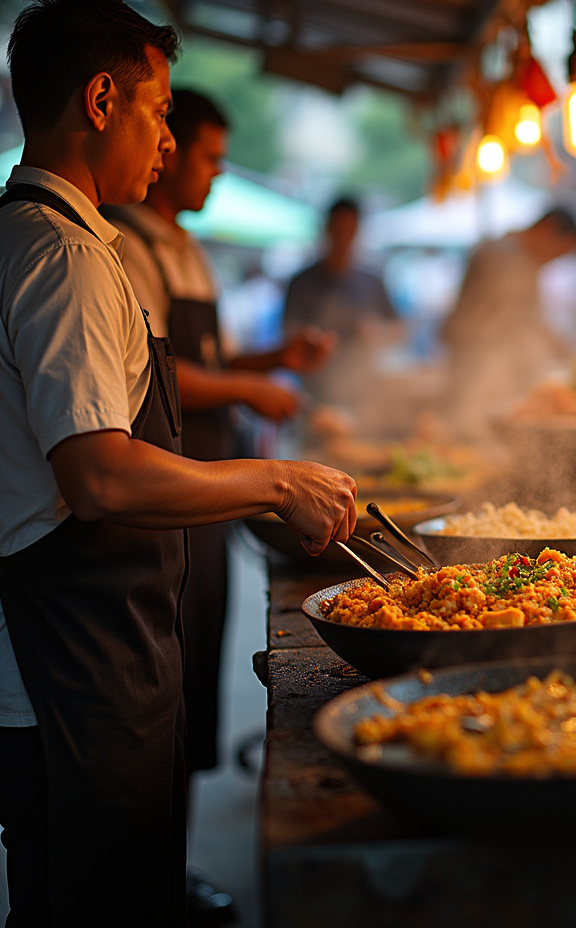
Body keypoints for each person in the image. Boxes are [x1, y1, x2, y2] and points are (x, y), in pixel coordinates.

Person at [0, 0, 358, 928]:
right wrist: (277, 481)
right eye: (159, 112)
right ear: (101, 101)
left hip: (97, 639)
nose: (165, 144)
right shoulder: (57, 255)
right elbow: (100, 476)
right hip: (70, 659)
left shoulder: (61, 239)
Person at [104, 88, 332, 924]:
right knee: (167, 678)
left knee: (192, 675)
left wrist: (274, 357)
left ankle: (173, 870)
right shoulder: (123, 245)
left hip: (205, 484)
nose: (205, 165)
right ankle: (158, 881)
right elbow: (164, 375)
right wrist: (251, 386)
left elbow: (209, 351)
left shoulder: (185, 249)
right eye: (203, 152)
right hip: (171, 482)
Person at [438, 208, 576, 438]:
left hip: (485, 364)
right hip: (477, 366)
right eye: (558, 252)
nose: (552, 260)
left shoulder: (517, 256)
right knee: (473, 430)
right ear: (547, 229)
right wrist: (563, 349)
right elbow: (517, 320)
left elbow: (527, 319)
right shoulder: (504, 257)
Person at [283, 197, 402, 422]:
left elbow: (400, 329)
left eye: (350, 231)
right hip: (315, 397)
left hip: (365, 391)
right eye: (338, 230)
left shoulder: (373, 281)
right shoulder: (302, 282)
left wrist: (378, 333)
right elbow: (288, 337)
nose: (344, 239)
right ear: (327, 230)